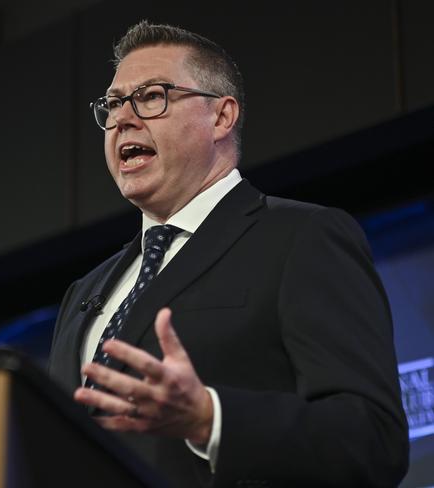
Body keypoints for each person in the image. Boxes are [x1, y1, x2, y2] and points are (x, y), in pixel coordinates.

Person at [48, 20, 408, 487]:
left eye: (151, 97)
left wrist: (210, 419)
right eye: (114, 103)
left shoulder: (301, 237)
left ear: (221, 117)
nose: (122, 119)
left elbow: (373, 439)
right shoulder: (85, 291)